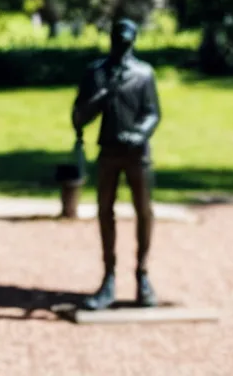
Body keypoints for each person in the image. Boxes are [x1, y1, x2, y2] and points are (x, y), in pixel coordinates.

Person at [71, 18, 161, 310]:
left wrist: (139, 133)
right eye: (118, 36)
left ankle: (142, 273)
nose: (123, 41)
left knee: (144, 211)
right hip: (108, 151)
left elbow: (152, 112)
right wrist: (102, 95)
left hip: (137, 154)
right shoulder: (96, 73)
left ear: (134, 39)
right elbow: (78, 116)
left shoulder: (144, 73)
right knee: (105, 210)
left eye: (128, 36)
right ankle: (109, 276)